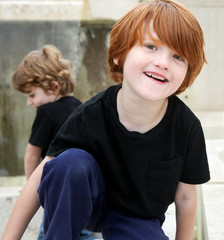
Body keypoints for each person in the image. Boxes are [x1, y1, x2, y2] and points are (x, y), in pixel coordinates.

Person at [2, 0, 210, 239]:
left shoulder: (187, 127)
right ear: (119, 56)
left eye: (178, 56)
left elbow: (185, 196)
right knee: (69, 162)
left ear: (186, 73)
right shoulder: (90, 114)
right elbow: (43, 172)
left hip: (138, 218)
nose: (163, 63)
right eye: (151, 46)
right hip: (90, 203)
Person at [11, 45, 96, 240]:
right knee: (82, 232)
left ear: (53, 87)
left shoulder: (46, 112)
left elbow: (32, 153)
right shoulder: (79, 106)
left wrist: (30, 185)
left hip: (57, 186)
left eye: (32, 95)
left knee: (49, 232)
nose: (29, 102)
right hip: (82, 185)